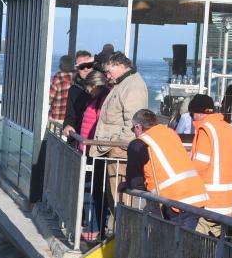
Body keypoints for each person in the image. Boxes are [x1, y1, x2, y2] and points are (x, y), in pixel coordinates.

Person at [121, 109, 208, 231]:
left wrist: (129, 185)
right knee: (185, 242)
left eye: (133, 129)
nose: (134, 133)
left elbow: (135, 182)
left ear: (138, 127)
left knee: (171, 244)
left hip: (174, 201)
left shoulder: (138, 144)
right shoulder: (170, 133)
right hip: (196, 195)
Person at [92, 52, 149, 228]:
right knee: (114, 193)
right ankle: (119, 230)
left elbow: (133, 123)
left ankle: (125, 230)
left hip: (120, 151)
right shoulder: (123, 83)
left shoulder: (133, 86)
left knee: (122, 195)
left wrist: (118, 146)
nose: (107, 76)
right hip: (113, 148)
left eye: (109, 71)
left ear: (120, 66)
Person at [188, 93, 232, 236]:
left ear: (198, 114)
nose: (192, 120)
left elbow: (199, 166)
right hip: (225, 204)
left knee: (194, 245)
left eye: (192, 115)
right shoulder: (231, 130)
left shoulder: (206, 130)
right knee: (217, 248)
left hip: (207, 203)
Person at [77, 69, 110, 241]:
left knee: (93, 191)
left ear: (96, 85)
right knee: (90, 191)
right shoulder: (96, 100)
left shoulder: (102, 101)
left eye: (89, 87)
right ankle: (93, 226)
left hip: (95, 151)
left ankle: (94, 228)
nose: (87, 90)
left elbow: (100, 125)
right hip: (88, 149)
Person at [62, 50, 96, 139]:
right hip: (79, 137)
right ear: (77, 69)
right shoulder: (73, 90)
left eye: (89, 65)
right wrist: (67, 125)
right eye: (82, 66)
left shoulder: (103, 87)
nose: (86, 69)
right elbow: (70, 115)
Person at [48, 55, 74, 122]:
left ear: (61, 66)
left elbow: (49, 99)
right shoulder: (75, 78)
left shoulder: (57, 79)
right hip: (69, 118)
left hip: (56, 117)